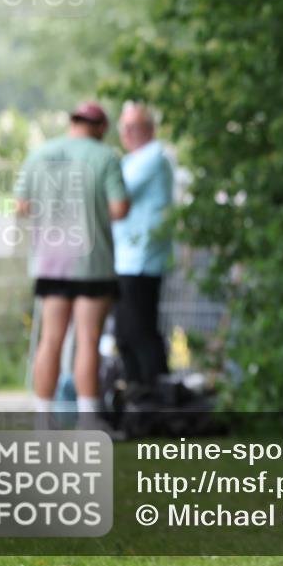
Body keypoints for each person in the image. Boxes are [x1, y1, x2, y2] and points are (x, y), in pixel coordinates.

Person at [15, 102, 129, 428]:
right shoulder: (104, 157)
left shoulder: (39, 155)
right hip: (92, 262)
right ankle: (89, 420)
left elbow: (21, 205)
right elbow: (120, 208)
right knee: (87, 339)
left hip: (51, 262)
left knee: (50, 339)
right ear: (100, 128)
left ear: (72, 122)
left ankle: (42, 420)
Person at [112, 102, 174, 395]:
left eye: (133, 126)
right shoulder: (132, 160)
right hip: (125, 259)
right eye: (123, 126)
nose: (126, 133)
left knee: (140, 331)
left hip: (141, 260)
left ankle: (156, 393)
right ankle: (139, 393)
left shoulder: (153, 158)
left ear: (149, 129)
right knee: (126, 333)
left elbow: (115, 192)